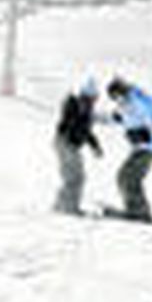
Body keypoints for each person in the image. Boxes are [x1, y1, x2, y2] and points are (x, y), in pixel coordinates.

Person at [105, 76, 152, 222]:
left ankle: (139, 211)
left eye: (115, 96)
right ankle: (135, 208)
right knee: (126, 177)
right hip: (144, 147)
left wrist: (143, 135)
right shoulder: (129, 102)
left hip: (148, 148)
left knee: (128, 177)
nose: (115, 100)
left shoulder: (137, 102)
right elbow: (121, 117)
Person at [53, 77, 103, 214]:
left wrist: (95, 146)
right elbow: (72, 122)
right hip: (66, 143)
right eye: (93, 97)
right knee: (75, 177)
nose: (94, 101)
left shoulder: (85, 108)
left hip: (68, 144)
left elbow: (86, 131)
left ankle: (61, 205)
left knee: (73, 176)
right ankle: (68, 207)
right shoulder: (78, 105)